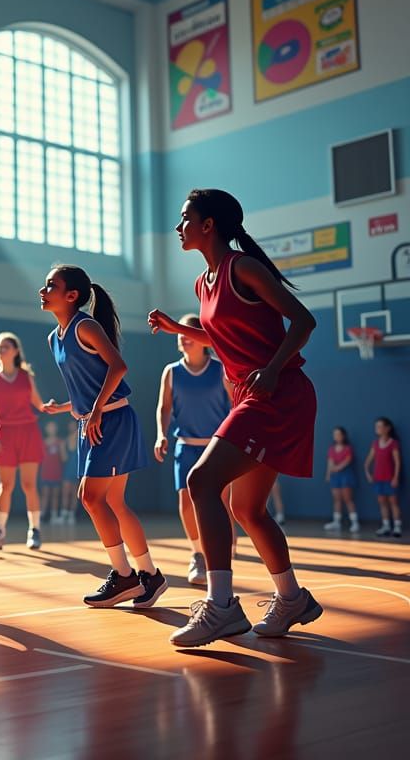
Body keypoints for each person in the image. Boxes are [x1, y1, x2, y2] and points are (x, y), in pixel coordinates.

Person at [149, 188, 321, 647]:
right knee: (246, 508)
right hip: (253, 391)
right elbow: (219, 333)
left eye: (186, 218)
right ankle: (293, 598)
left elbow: (303, 321)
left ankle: (221, 605)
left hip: (279, 392)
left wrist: (273, 367)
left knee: (202, 482)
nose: (178, 226)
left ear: (209, 225)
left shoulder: (242, 267)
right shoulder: (202, 283)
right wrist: (179, 329)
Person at [41, 265, 166, 608]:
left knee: (91, 498)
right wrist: (69, 407)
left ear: (72, 296)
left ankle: (124, 576)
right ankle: (150, 575)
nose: (43, 290)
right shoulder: (55, 338)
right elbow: (89, 386)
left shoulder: (86, 326)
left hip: (111, 420)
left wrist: (95, 411)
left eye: (51, 285)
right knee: (113, 502)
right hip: (92, 422)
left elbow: (118, 367)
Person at [153, 313, 233, 586]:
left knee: (220, 503)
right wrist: (161, 435)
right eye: (179, 333)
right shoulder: (171, 372)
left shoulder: (221, 369)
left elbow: (235, 406)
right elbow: (164, 408)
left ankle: (222, 552)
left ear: (203, 339)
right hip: (185, 447)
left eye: (189, 332)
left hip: (216, 448)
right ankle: (197, 554)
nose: (183, 336)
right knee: (186, 503)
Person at [0, 331, 47, 550]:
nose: (1, 351)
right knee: (5, 485)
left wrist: (61, 406)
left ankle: (34, 530)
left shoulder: (27, 376)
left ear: (15, 351)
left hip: (28, 433)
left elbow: (39, 404)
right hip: (4, 436)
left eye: (5, 347)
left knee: (29, 485)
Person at [364, 417, 401, 537]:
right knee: (382, 503)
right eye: (376, 426)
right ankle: (386, 526)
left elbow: (397, 462)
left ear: (387, 428)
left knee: (393, 502)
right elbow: (367, 462)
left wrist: (395, 477)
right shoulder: (375, 443)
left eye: (380, 426)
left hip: (390, 479)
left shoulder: (393, 443)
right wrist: (368, 474)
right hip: (378, 479)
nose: (377, 429)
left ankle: (397, 527)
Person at [323, 426, 359, 532]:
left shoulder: (348, 448)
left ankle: (355, 523)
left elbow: (348, 460)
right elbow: (330, 462)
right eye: (335, 434)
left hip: (346, 476)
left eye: (339, 434)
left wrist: (337, 468)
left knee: (348, 499)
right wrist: (328, 474)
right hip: (335, 477)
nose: (336, 436)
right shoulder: (331, 448)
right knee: (337, 499)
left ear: (343, 436)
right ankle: (336, 522)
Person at [38, 421, 67, 526]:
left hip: (57, 473)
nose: (51, 429)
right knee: (45, 495)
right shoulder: (42, 442)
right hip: (45, 472)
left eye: (53, 427)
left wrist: (61, 448)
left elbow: (64, 458)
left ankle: (54, 516)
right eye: (49, 427)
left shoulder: (60, 442)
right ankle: (41, 515)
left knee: (55, 495)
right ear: (46, 429)